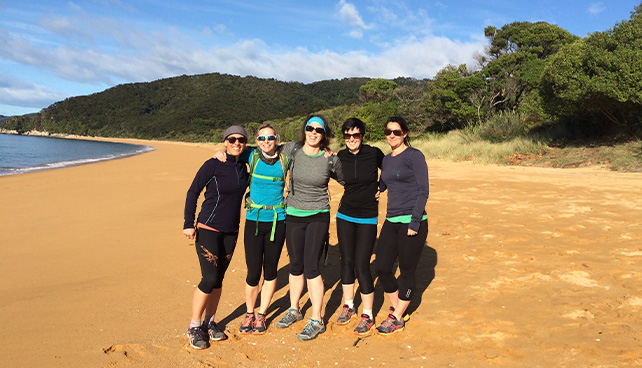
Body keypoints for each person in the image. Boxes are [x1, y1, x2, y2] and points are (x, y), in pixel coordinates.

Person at [275, 115, 344, 341]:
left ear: (324, 135)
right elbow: (263, 152)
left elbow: (349, 180)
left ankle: (316, 319)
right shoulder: (292, 149)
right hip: (293, 213)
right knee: (295, 265)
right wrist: (224, 153)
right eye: (310, 128)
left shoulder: (330, 159)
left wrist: (376, 188)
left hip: (318, 215)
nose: (313, 132)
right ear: (304, 130)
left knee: (311, 266)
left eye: (319, 130)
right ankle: (294, 309)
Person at [183, 126, 249, 349]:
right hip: (208, 227)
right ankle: (194, 326)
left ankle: (210, 323)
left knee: (219, 279)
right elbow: (193, 191)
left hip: (231, 230)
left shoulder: (244, 168)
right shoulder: (213, 164)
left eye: (240, 139)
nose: (236, 143)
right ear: (225, 141)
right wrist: (187, 224)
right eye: (232, 139)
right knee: (209, 279)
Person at [374, 116, 429, 335]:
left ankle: (396, 317)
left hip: (412, 221)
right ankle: (398, 307)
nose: (392, 136)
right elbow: (386, 180)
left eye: (396, 132)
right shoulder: (387, 159)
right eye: (388, 132)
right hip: (391, 220)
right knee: (382, 267)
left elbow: (423, 190)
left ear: (405, 133)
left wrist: (414, 222)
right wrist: (379, 188)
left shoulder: (414, 156)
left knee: (406, 270)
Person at [236, 124, 289, 335]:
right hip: (253, 221)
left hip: (278, 220)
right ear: (256, 141)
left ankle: (262, 315)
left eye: (270, 137)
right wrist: (219, 153)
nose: (266, 141)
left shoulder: (286, 159)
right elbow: (233, 151)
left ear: (277, 138)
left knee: (271, 270)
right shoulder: (251, 156)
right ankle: (249, 312)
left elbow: (308, 152)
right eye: (261, 138)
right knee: (252, 272)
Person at [334, 118, 384, 335]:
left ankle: (368, 314)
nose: (351, 139)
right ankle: (348, 306)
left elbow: (391, 170)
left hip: (367, 216)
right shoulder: (339, 156)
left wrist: (382, 186)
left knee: (362, 264)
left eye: (355, 135)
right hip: (345, 214)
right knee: (346, 260)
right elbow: (331, 172)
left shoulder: (374, 153)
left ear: (362, 135)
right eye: (347, 135)